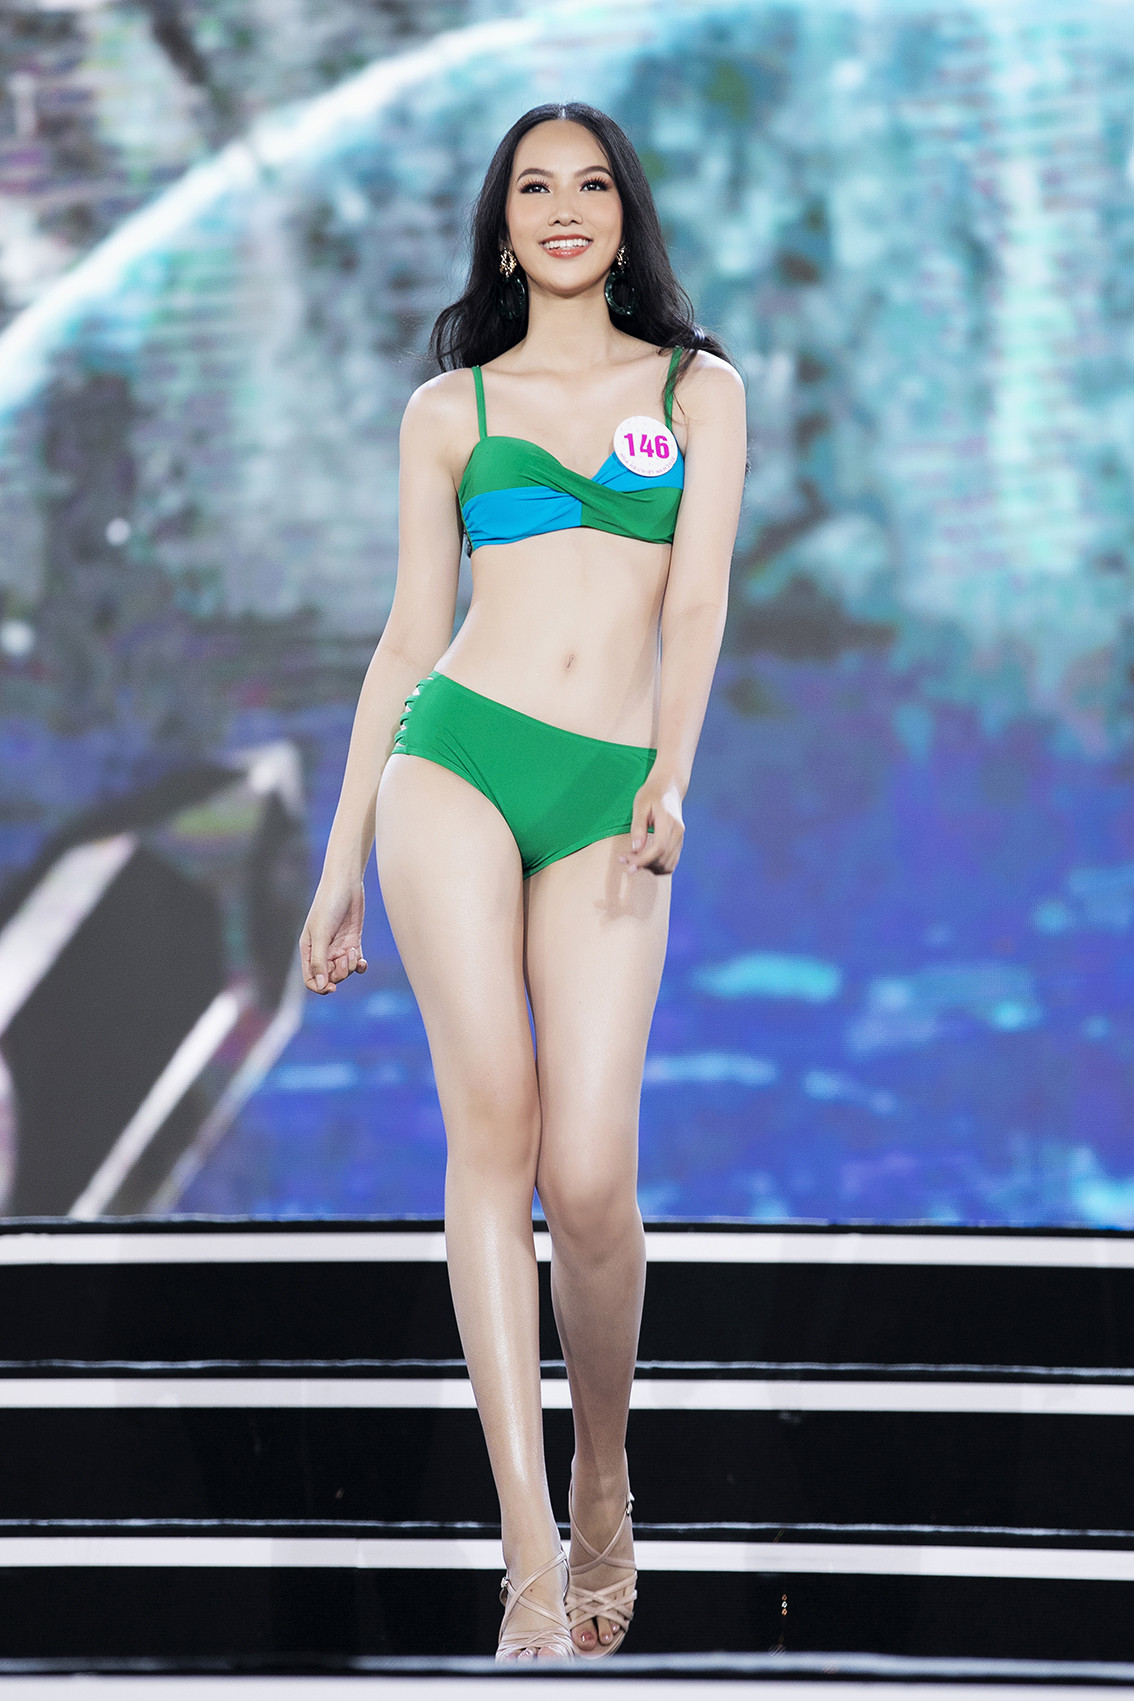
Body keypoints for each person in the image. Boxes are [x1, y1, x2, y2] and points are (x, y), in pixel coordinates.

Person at [300, 101, 746, 1661]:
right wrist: (337, 864)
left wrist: (672, 772)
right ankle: (530, 1556)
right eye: (534, 188)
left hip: (612, 791)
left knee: (591, 1172)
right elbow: (406, 638)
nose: (564, 208)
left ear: (625, 218)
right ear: (502, 227)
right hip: (455, 763)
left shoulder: (697, 389)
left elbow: (694, 607)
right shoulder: (448, 410)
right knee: (490, 1128)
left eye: (592, 185)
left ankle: (602, 1469)